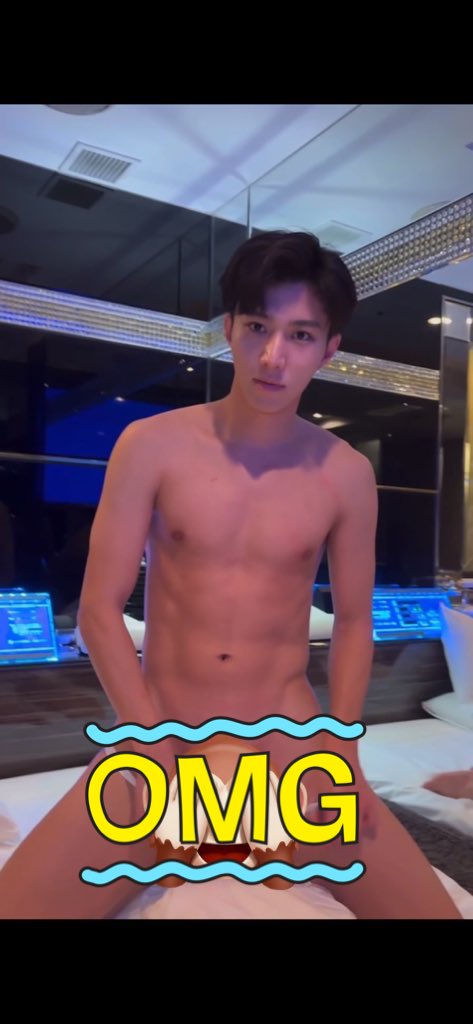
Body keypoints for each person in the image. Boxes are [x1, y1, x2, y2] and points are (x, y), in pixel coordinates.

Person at [0, 231, 461, 919]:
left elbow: (354, 620)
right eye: (258, 327)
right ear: (230, 329)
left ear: (329, 348)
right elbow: (97, 610)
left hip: (288, 734)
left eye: (300, 335)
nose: (274, 356)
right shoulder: (150, 445)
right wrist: (143, 736)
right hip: (163, 724)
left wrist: (339, 744)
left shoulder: (345, 473)